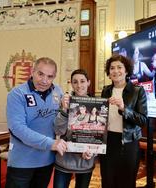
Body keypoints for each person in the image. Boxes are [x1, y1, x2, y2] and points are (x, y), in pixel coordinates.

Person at [6, 57, 67, 188]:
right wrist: (50, 143)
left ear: (54, 77)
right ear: (32, 72)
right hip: (22, 162)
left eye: (50, 76)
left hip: (46, 161)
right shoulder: (17, 94)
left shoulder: (58, 92)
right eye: (40, 74)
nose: (44, 81)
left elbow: (62, 124)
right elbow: (17, 128)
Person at [100, 54, 148, 188]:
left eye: (119, 67)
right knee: (108, 181)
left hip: (129, 143)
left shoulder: (138, 91)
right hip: (108, 142)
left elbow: (143, 120)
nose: (116, 71)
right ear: (109, 73)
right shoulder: (106, 90)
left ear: (126, 71)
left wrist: (124, 108)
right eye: (112, 68)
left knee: (126, 182)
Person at [54, 69, 96, 188]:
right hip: (64, 160)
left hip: (85, 162)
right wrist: (64, 109)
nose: (79, 85)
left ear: (88, 82)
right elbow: (58, 130)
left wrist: (92, 153)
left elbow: (99, 136)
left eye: (82, 81)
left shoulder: (97, 105)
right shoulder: (64, 102)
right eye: (75, 82)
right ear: (71, 84)